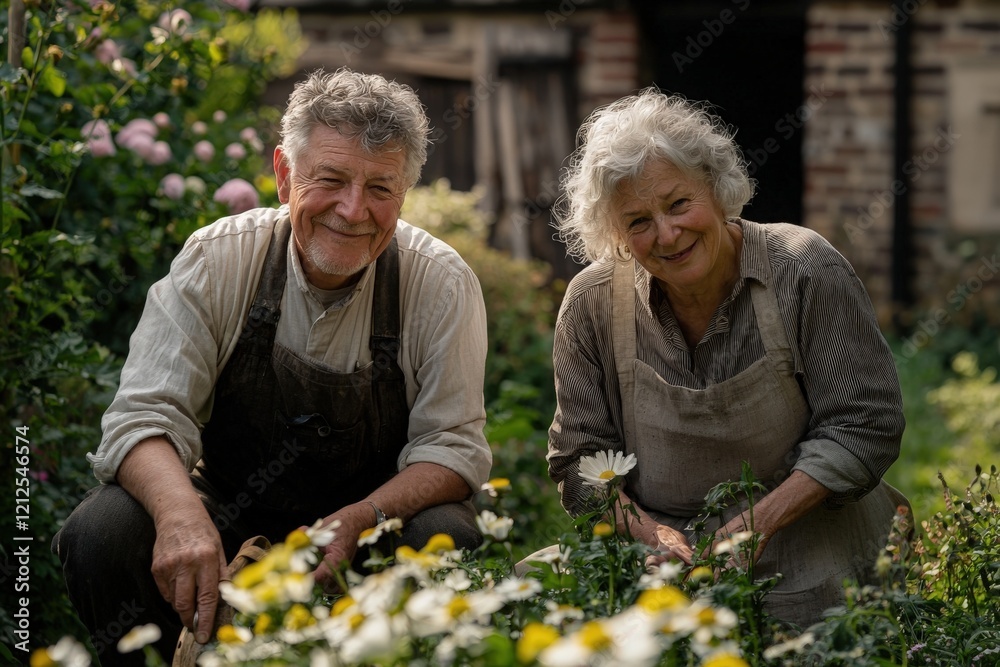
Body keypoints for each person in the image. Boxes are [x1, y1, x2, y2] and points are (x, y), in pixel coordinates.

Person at [54, 68, 491, 665]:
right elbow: (142, 414)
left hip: (368, 534)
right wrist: (182, 517)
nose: (353, 210)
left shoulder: (440, 284)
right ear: (284, 174)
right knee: (102, 530)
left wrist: (361, 518)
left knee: (448, 536)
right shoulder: (218, 258)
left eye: (381, 189)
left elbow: (452, 449)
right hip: (225, 518)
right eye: (331, 180)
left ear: (405, 193)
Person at [545, 88, 908, 628]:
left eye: (678, 204)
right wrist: (654, 537)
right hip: (661, 553)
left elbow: (866, 425)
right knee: (533, 607)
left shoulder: (801, 268)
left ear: (718, 191)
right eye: (638, 221)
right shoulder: (591, 301)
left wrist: (759, 523)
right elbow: (579, 461)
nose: (667, 234)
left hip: (806, 533)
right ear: (616, 234)